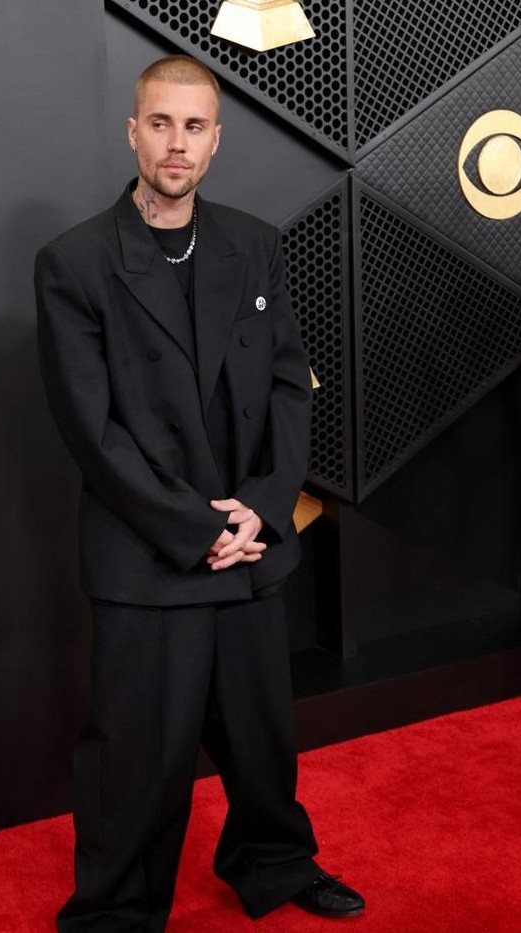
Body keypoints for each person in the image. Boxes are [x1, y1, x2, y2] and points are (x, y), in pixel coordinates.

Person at [35, 54, 364, 933]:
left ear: (214, 142)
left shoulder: (254, 243)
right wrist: (196, 526)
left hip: (249, 537)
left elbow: (292, 387)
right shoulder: (73, 264)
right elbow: (90, 429)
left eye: (194, 127)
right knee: (137, 754)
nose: (176, 143)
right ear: (132, 130)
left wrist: (261, 503)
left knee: (261, 736)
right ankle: (117, 911)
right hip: (149, 550)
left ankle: (275, 860)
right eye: (160, 123)